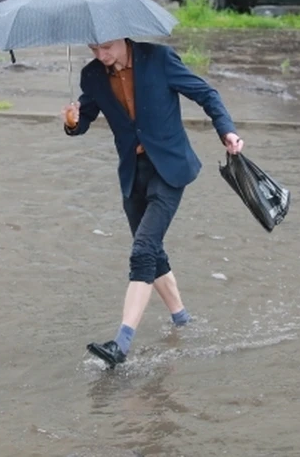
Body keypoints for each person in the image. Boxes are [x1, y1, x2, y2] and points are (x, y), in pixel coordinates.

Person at [62, 38, 243, 368]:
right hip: (133, 174)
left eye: (106, 48)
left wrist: (226, 131)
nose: (100, 56)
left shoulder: (158, 58)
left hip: (170, 168)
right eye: (93, 49)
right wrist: (73, 122)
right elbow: (85, 117)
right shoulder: (92, 75)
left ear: (123, 37)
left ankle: (121, 343)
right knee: (153, 251)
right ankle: (183, 321)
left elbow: (206, 94)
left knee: (143, 250)